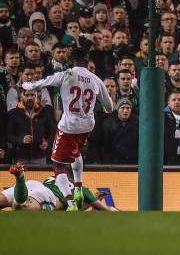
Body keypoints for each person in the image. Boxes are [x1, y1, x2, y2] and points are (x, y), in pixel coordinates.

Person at [22, 47, 114, 211]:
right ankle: (78, 188)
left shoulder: (66, 75)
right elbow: (109, 107)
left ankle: (71, 203)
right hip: (87, 126)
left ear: (72, 61)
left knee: (58, 165)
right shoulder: (95, 79)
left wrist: (26, 84)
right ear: (87, 61)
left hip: (69, 126)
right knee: (76, 152)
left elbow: (41, 84)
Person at [0, 163, 118, 211]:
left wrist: (89, 202)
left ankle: (20, 180)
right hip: (48, 195)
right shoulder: (82, 190)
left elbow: (75, 208)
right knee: (21, 206)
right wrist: (95, 198)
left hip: (35, 184)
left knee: (4, 200)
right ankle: (20, 177)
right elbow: (104, 209)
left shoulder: (53, 178)